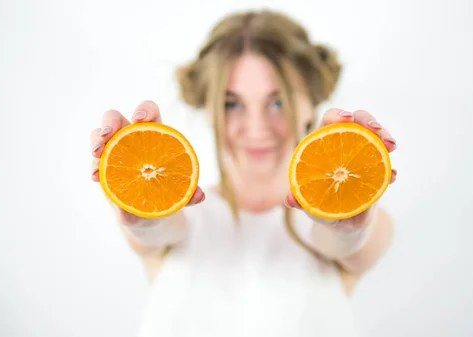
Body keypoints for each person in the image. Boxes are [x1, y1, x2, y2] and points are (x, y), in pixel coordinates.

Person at [89, 9, 398, 337]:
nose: (256, 128)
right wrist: (144, 211)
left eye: (278, 103)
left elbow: (344, 240)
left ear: (312, 102)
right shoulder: (185, 217)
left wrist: (348, 222)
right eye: (231, 104)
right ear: (207, 107)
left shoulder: (353, 225)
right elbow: (158, 229)